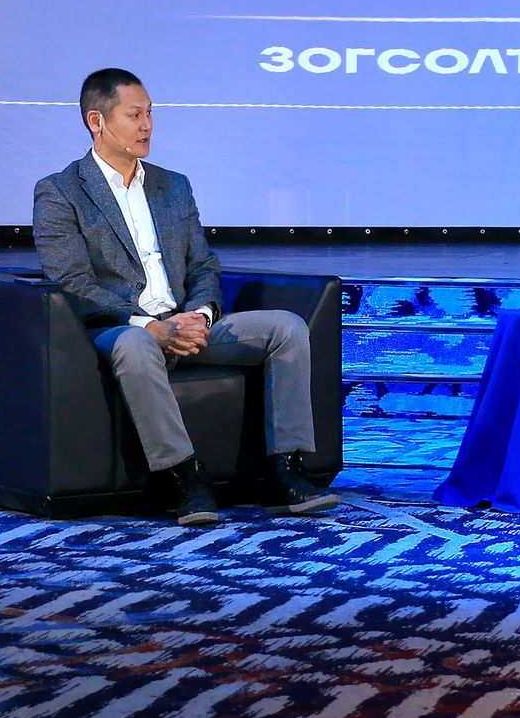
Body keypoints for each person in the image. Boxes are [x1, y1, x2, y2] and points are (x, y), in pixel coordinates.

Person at [32, 67, 336, 527]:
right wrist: (151, 326)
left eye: (150, 113)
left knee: (286, 328)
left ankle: (286, 470)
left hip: (185, 322)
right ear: (97, 121)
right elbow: (74, 283)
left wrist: (199, 316)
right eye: (135, 115)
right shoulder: (61, 192)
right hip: (120, 328)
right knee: (136, 346)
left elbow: (203, 266)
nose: (147, 126)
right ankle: (184, 477)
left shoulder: (173, 186)